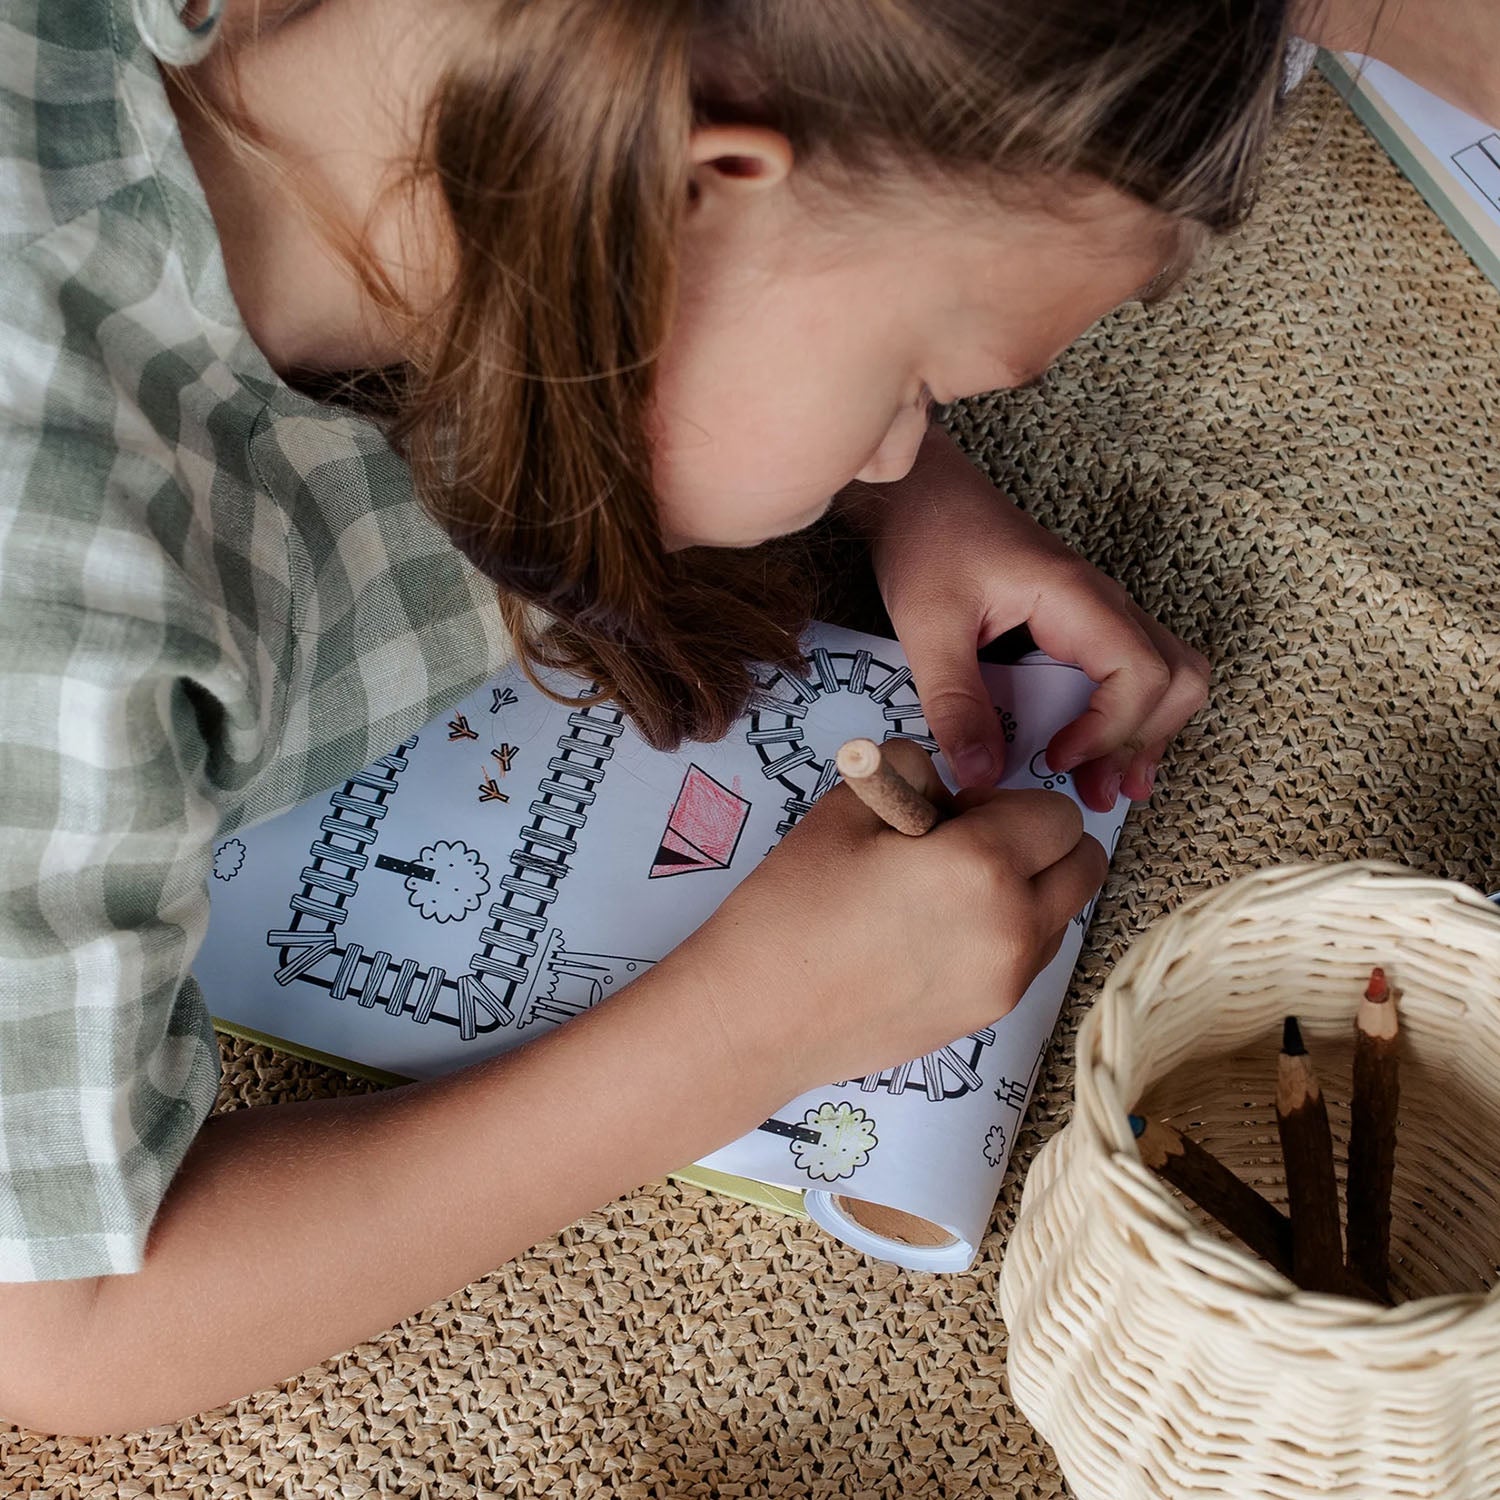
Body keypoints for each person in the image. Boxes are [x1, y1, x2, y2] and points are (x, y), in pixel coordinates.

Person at [0, 0, 1487, 1438]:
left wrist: (908, 490)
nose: (909, 433)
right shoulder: (76, 599)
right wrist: (756, 1026)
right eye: (914, 385)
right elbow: (67, 1327)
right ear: (699, 180)